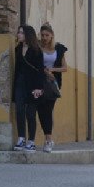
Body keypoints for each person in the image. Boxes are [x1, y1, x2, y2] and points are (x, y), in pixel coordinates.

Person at [12, 23, 46, 151]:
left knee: (30, 114)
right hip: (20, 84)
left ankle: (31, 140)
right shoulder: (17, 49)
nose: (18, 34)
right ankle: (21, 138)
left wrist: (39, 88)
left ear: (27, 35)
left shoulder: (36, 51)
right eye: (19, 32)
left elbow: (40, 71)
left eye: (21, 32)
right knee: (19, 111)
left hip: (33, 85)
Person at [37, 21, 69, 153]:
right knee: (40, 110)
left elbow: (65, 68)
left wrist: (52, 70)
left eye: (46, 35)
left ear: (52, 36)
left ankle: (48, 140)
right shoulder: (38, 48)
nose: (44, 38)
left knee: (48, 110)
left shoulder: (59, 49)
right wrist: (43, 70)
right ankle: (47, 138)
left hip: (52, 84)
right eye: (42, 35)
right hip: (38, 83)